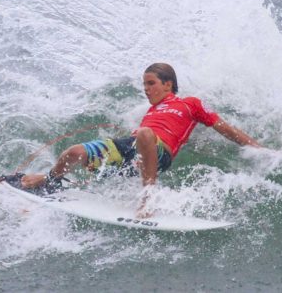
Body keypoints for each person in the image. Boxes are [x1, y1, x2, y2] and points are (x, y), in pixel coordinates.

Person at [19, 63, 262, 217]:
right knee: (74, 152)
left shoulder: (191, 104)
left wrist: (258, 149)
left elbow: (224, 128)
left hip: (159, 154)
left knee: (145, 134)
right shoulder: (150, 110)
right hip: (130, 149)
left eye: (151, 83)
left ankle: (148, 198)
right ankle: (50, 180)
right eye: (144, 84)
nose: (145, 89)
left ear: (168, 84)